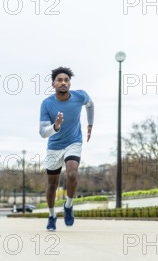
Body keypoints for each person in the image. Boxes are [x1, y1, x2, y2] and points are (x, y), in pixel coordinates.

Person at [39, 66, 94, 231]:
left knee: (71, 173)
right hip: (54, 146)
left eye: (66, 80)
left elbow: (90, 104)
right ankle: (51, 215)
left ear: (69, 83)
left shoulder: (80, 96)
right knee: (52, 185)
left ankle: (68, 206)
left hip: (73, 142)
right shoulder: (47, 104)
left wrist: (90, 124)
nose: (63, 83)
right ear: (53, 84)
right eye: (59, 80)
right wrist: (55, 127)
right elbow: (42, 132)